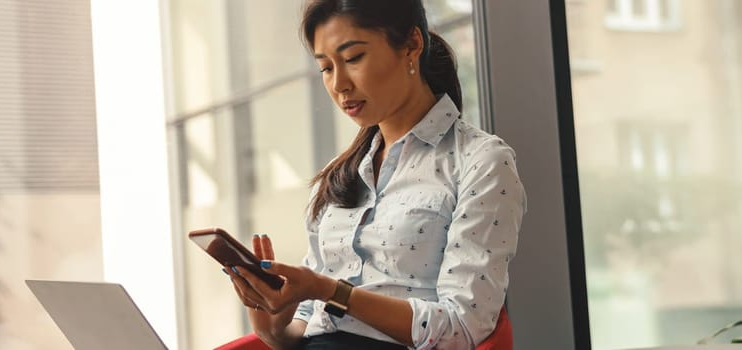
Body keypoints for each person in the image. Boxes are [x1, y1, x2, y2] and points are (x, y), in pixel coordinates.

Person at [223, 0, 526, 349]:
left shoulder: (480, 161)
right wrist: (267, 318)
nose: (339, 85)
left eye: (353, 59)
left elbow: (462, 328)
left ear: (411, 45)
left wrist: (329, 290)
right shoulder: (335, 179)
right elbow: (299, 330)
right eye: (325, 67)